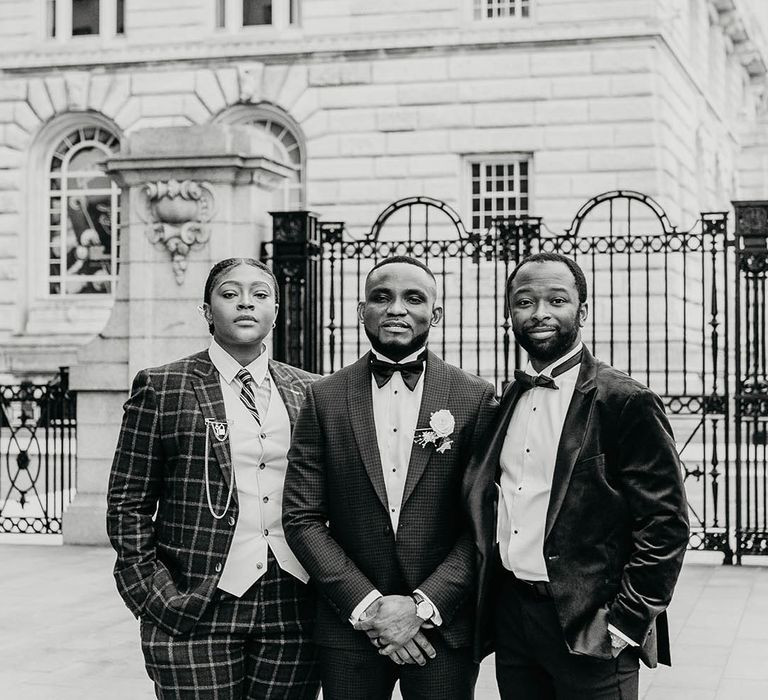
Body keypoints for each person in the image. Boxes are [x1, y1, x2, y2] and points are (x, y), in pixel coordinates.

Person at [465, 252, 689, 700]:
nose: (540, 313)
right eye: (525, 302)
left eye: (557, 300)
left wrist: (626, 622)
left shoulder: (625, 400)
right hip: (514, 620)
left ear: (581, 312)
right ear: (510, 313)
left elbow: (665, 525)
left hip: (591, 625)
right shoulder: (504, 399)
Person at [282, 256, 497, 700]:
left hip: (442, 625)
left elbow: (484, 519)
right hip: (350, 626)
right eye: (381, 297)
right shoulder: (323, 398)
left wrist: (423, 606)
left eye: (412, 298)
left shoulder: (475, 397)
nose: (395, 308)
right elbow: (301, 517)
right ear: (362, 311)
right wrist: (368, 605)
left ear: (434, 314)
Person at [106, 258, 320, 700]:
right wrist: (149, 592)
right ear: (207, 310)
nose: (246, 302)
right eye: (229, 293)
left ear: (276, 312)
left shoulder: (311, 391)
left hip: (293, 604)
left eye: (260, 294)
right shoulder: (163, 387)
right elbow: (128, 502)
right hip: (197, 602)